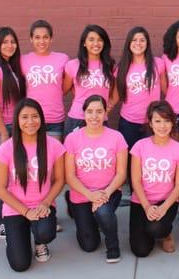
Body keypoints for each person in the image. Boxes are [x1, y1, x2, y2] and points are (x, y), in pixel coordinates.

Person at [0, 98, 66, 272]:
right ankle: (14, 236)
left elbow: (60, 180)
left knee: (45, 233)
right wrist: (25, 212)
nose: (30, 122)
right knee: (20, 265)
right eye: (24, 117)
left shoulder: (54, 145)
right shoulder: (6, 148)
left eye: (35, 116)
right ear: (17, 121)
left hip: (42, 205)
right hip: (16, 208)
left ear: (41, 119)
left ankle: (40, 243)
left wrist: (46, 202)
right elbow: (0, 189)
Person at [64, 95, 128, 263]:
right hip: (81, 194)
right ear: (83, 114)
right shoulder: (72, 139)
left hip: (109, 191)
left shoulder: (116, 137)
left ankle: (113, 246)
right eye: (90, 112)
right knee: (89, 245)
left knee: (103, 212)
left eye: (99, 111)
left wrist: (104, 194)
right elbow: (69, 175)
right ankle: (75, 209)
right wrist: (90, 195)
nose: (94, 116)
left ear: (105, 113)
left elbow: (121, 174)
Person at [129, 101, 179, 257]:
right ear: (150, 123)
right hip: (141, 201)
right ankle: (150, 228)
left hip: (166, 201)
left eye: (167, 120)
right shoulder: (139, 146)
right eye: (157, 121)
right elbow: (135, 180)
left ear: (172, 122)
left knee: (156, 228)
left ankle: (165, 234)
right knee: (141, 251)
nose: (162, 126)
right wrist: (147, 207)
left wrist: (163, 208)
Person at [0, 26, 26, 238]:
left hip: (13, 127)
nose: (9, 46)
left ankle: (9, 216)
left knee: (14, 174)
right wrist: (2, 132)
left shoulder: (11, 67)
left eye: (13, 41)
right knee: (6, 176)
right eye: (5, 42)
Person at [113, 27, 166, 150]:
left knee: (151, 159)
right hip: (128, 122)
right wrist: (105, 110)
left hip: (153, 122)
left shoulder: (158, 63)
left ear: (147, 43)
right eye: (134, 40)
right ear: (129, 44)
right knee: (129, 160)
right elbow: (116, 95)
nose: (138, 43)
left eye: (142, 40)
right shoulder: (121, 67)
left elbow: (166, 91)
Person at [63, 25, 115, 136]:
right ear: (84, 43)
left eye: (100, 40)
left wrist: (109, 106)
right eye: (91, 39)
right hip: (78, 117)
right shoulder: (73, 65)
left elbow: (114, 91)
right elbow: (64, 89)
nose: (96, 43)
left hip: (100, 118)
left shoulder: (110, 65)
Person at [22, 19, 69, 140]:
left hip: (55, 119)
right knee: (33, 157)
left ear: (51, 39)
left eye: (45, 37)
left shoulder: (62, 59)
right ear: (31, 39)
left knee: (53, 157)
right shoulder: (23, 60)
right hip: (31, 119)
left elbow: (66, 86)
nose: (41, 41)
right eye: (37, 37)